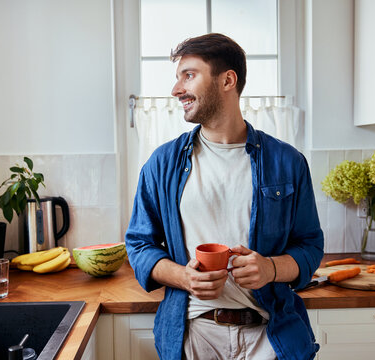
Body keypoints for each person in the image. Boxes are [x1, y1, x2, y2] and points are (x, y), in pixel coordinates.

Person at [125, 33, 324, 360]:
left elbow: (310, 246)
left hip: (270, 337)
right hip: (193, 336)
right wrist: (184, 277)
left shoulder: (288, 162)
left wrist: (270, 269)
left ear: (227, 80)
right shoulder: (162, 164)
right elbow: (139, 244)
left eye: (188, 75)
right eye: (178, 78)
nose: (176, 90)